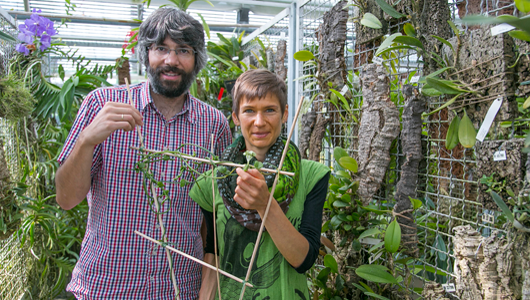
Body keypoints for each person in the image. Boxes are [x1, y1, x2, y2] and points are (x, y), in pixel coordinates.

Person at [55, 7, 232, 300]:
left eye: (183, 50)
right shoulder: (103, 105)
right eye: (161, 48)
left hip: (178, 290)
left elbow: (212, 217)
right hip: (105, 289)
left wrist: (207, 289)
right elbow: (66, 199)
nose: (171, 60)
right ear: (146, 53)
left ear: (196, 59)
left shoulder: (213, 125)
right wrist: (87, 140)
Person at [189, 69, 330, 299]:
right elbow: (212, 253)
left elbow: (304, 260)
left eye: (270, 110)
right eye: (249, 111)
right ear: (235, 117)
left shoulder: (311, 176)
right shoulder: (213, 181)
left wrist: (265, 204)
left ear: (285, 114)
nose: (259, 122)